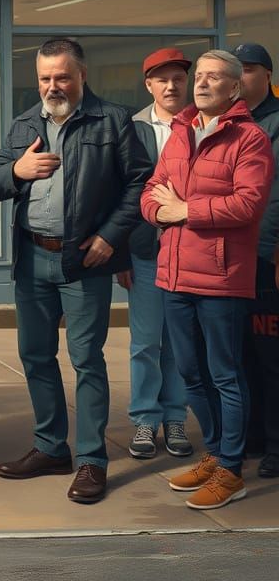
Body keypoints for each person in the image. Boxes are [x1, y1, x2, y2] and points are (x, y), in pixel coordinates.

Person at [0, 37, 151, 505]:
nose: (53, 86)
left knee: (86, 360)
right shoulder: (23, 124)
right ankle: (50, 447)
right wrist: (17, 170)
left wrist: (109, 237)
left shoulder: (113, 120)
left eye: (62, 76)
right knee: (36, 357)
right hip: (32, 258)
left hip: (84, 260)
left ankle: (92, 460)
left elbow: (140, 183)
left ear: (82, 75)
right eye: (44, 77)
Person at [143, 49, 273, 509]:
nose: (201, 83)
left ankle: (233, 470)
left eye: (214, 77)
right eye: (199, 76)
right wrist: (161, 209)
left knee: (226, 374)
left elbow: (247, 205)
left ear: (234, 88)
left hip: (221, 277)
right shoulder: (180, 131)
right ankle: (217, 454)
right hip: (174, 272)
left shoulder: (250, 138)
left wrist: (185, 210)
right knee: (191, 373)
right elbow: (150, 192)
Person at [116, 48, 192, 460]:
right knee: (145, 342)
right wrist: (121, 255)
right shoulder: (132, 128)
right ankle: (146, 418)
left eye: (177, 77)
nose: (170, 85)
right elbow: (121, 192)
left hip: (192, 250)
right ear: (148, 84)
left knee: (180, 342)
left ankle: (175, 416)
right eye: (161, 78)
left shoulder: (203, 126)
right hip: (144, 253)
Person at [232, 42, 279, 478]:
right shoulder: (229, 123)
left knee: (271, 357)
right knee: (241, 353)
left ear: (266, 74)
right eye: (237, 69)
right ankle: (253, 434)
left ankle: (276, 446)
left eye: (248, 69)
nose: (241, 77)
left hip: (269, 258)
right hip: (232, 259)